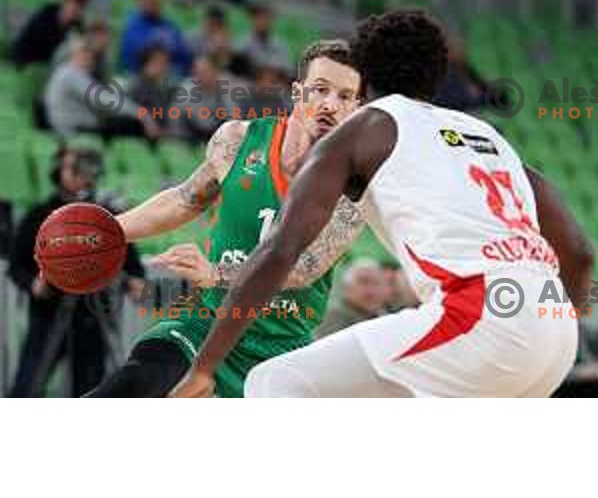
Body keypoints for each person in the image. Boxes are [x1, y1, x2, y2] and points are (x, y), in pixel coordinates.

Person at [171, 9, 595, 398]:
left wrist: (205, 367)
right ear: (436, 76)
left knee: (275, 381)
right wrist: (552, 325)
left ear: (363, 77)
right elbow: (578, 254)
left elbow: (281, 249)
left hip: (479, 317)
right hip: (554, 331)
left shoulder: (365, 128)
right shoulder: (490, 136)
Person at [86, 40, 366, 398]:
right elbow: (186, 200)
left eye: (345, 96)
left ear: (357, 108)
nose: (330, 104)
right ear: (298, 93)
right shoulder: (239, 139)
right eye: (321, 90)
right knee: (135, 381)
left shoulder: (355, 186)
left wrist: (216, 273)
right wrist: (107, 232)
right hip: (207, 321)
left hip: (279, 345)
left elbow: (303, 266)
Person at [8, 146, 145, 397]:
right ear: (57, 172)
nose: (82, 174)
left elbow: (131, 262)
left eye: (87, 167)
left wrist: (134, 280)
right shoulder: (38, 215)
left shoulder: (107, 218)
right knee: (28, 385)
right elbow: (16, 266)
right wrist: (33, 284)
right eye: (74, 167)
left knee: (91, 390)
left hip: (93, 316)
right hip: (48, 314)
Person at [44, 38, 160, 139]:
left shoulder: (66, 72)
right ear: (75, 53)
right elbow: (105, 101)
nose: (89, 56)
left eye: (91, 53)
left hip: (71, 127)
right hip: (73, 130)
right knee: (131, 124)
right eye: (85, 51)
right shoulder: (71, 74)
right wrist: (141, 114)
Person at [315, 260, 387, 339]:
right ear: (347, 287)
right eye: (364, 282)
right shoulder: (335, 318)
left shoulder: (385, 318)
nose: (371, 291)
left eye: (376, 283)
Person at [119, 0, 192, 76]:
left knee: (192, 83)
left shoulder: (170, 26)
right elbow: (129, 60)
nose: (150, 2)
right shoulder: (133, 27)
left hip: (171, 76)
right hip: (139, 77)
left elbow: (185, 57)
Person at [12, 0, 87, 68]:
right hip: (28, 59)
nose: (75, 11)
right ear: (65, 3)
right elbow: (33, 41)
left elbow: (81, 44)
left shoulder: (76, 26)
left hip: (52, 63)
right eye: (73, 6)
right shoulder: (46, 15)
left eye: (79, 8)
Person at [239, 2, 290, 72]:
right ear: (252, 19)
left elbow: (286, 69)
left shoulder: (280, 46)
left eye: (265, 17)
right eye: (259, 17)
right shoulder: (243, 44)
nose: (262, 21)